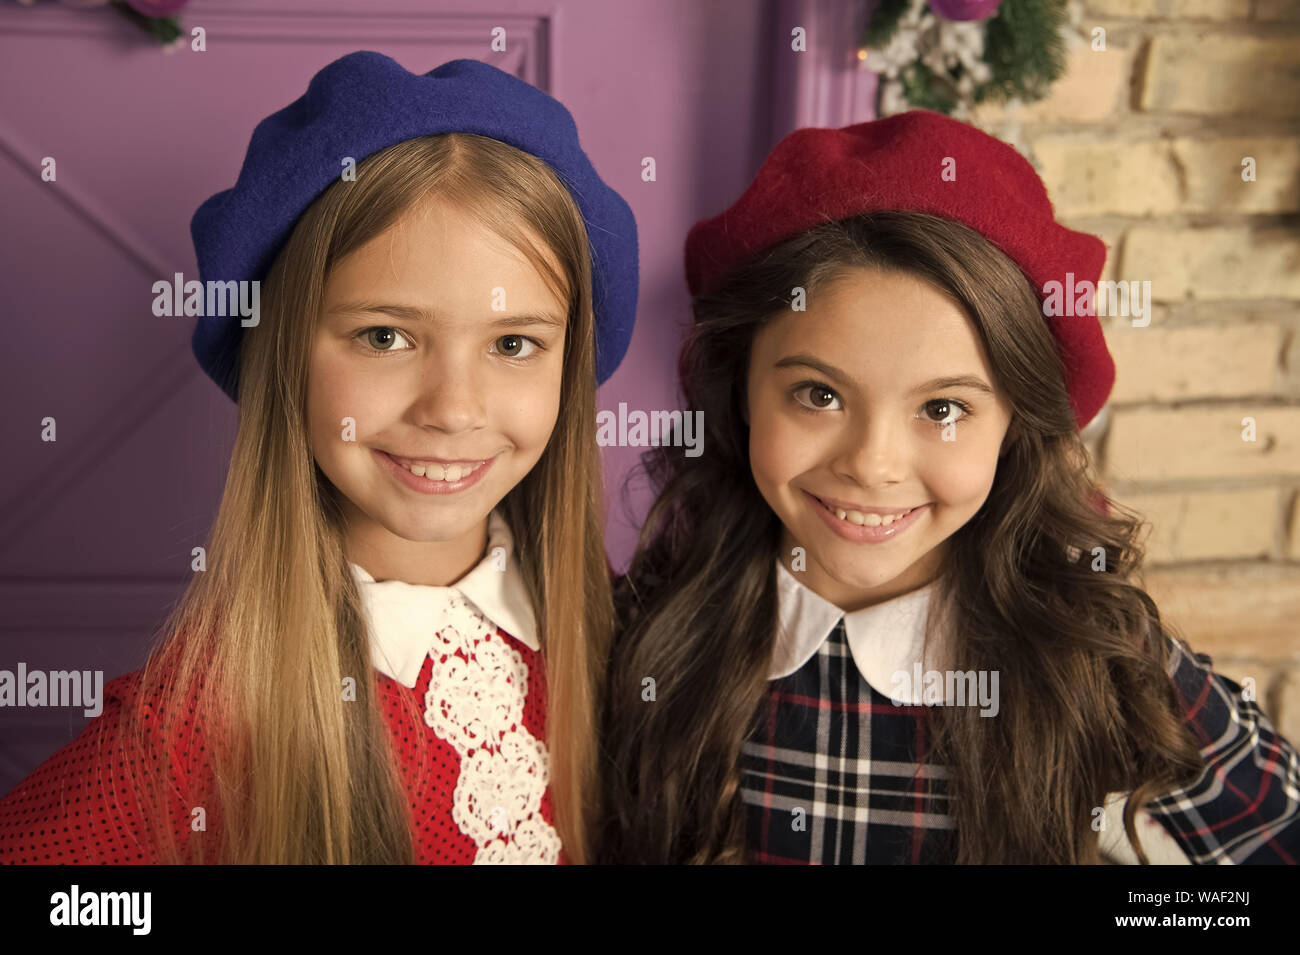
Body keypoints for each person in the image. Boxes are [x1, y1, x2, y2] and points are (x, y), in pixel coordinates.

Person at [598, 111, 1299, 864]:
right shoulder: (648, 632)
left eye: (942, 409)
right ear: (739, 390)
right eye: (819, 395)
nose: (872, 464)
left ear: (1013, 425)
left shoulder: (1099, 660)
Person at [0, 51, 637, 865]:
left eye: (514, 343)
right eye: (384, 336)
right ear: (283, 353)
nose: (452, 408)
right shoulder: (201, 721)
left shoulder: (614, 637)